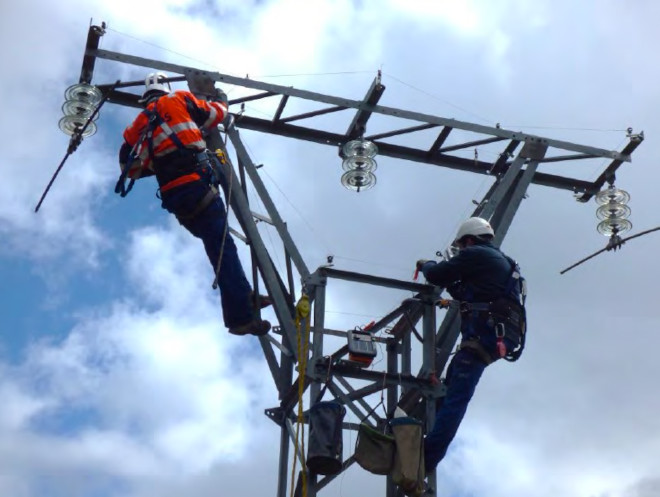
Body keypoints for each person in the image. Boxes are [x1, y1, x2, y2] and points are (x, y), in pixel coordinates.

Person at [117, 72, 271, 336]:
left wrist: (165, 160)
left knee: (218, 247)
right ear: (166, 88)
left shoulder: (136, 126)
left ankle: (244, 296)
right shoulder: (179, 99)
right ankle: (239, 317)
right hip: (198, 186)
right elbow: (214, 115)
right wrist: (222, 101)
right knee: (223, 248)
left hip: (176, 199)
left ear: (146, 96)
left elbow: (128, 168)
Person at [416, 217, 526, 472]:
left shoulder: (476, 253)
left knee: (457, 399)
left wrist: (427, 265)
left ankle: (426, 458)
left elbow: (436, 274)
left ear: (468, 240)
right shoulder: (503, 262)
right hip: (494, 339)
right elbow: (465, 292)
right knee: (453, 380)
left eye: (461, 247)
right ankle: (423, 423)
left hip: (483, 337)